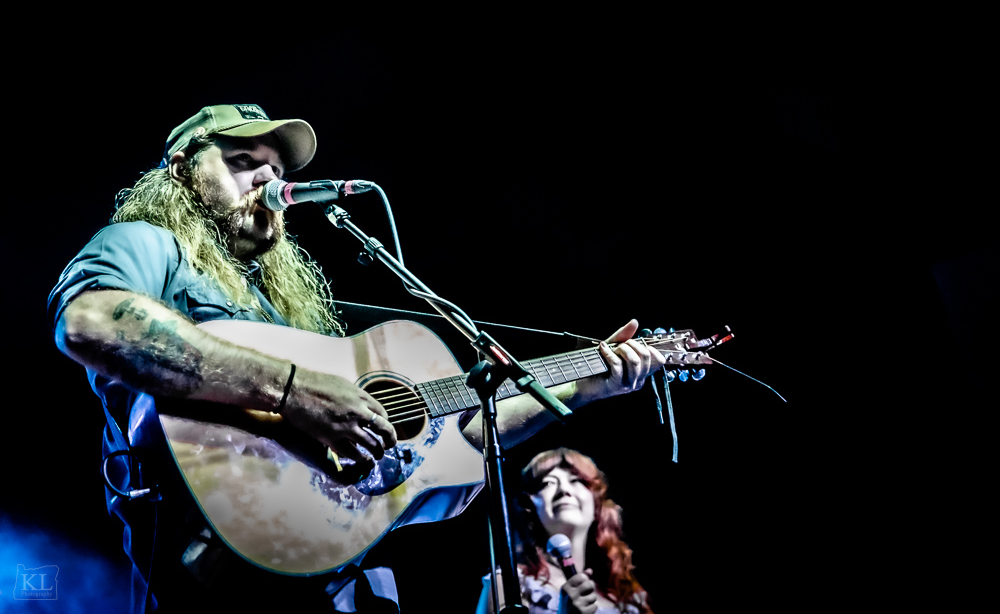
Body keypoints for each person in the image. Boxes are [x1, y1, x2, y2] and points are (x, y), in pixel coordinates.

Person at [48, 104, 666, 612]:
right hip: (215, 563)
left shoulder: (283, 312)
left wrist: (585, 384)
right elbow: (92, 321)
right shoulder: (149, 244)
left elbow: (457, 439)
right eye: (242, 163)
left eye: (273, 171)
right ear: (182, 169)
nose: (266, 181)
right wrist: (293, 390)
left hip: (344, 579)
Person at [476, 448, 652, 614]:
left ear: (597, 505)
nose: (564, 490)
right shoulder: (507, 587)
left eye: (576, 481)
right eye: (549, 483)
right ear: (530, 506)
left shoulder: (627, 597)